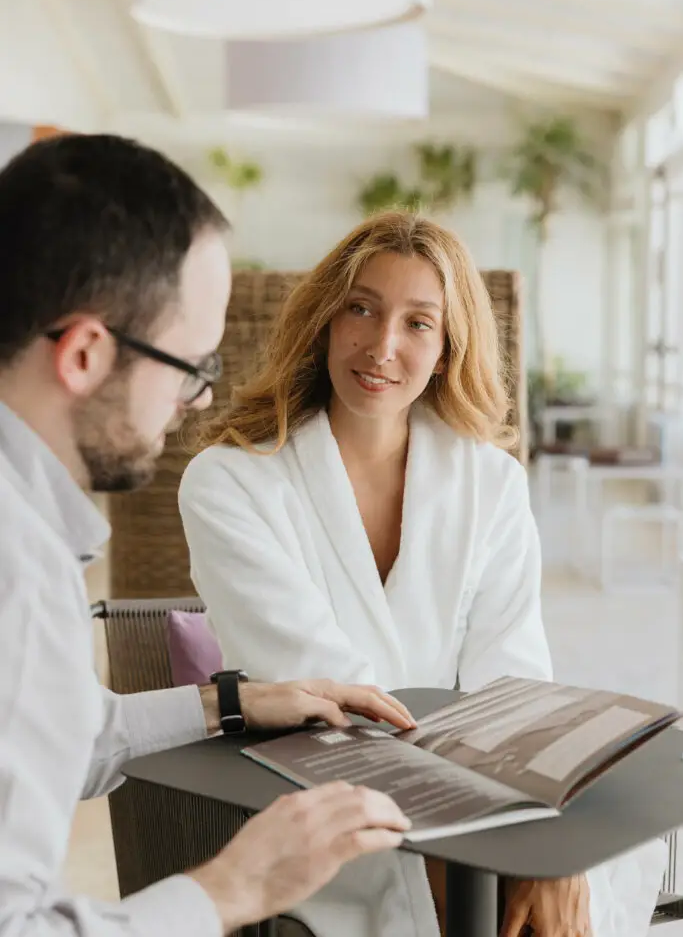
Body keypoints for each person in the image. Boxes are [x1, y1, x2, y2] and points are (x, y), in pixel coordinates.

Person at [180, 211, 667, 937]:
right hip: (321, 795)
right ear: (323, 319)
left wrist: (534, 849)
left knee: (580, 867)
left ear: (445, 349)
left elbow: (515, 688)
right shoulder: (228, 484)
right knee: (494, 891)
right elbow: (324, 691)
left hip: (491, 800)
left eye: (417, 323)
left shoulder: (492, 486)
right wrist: (491, 853)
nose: (381, 346)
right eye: (361, 308)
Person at [0, 135, 421, 937]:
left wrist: (226, 703)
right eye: (189, 365)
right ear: (85, 353)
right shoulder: (16, 574)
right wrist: (231, 889)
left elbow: (58, 735)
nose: (195, 401)